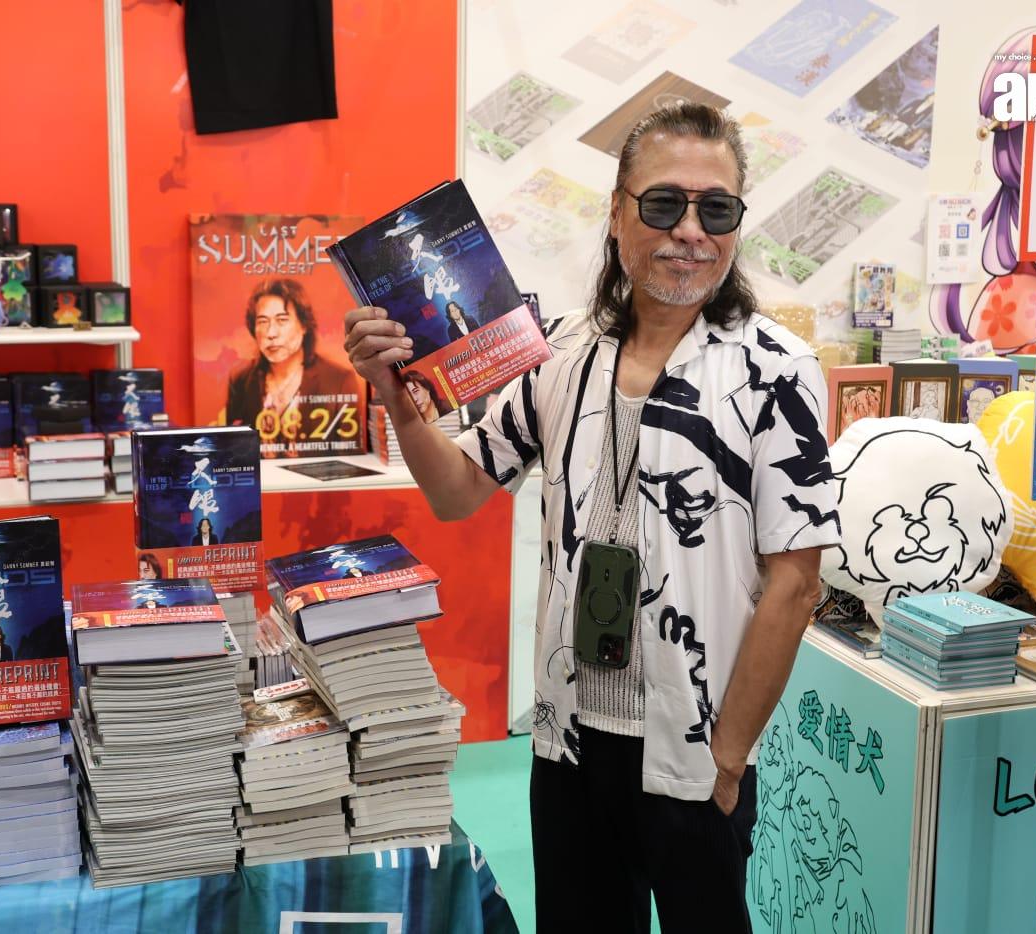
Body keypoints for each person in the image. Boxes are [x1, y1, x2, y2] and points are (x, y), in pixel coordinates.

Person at [344, 103, 839, 934]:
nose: (691, 231)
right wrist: (397, 400)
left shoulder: (776, 371)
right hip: (568, 739)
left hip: (693, 748)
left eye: (716, 209)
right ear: (617, 213)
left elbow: (794, 585)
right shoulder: (559, 351)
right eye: (664, 203)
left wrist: (727, 758)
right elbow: (458, 492)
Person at [224, 278, 360, 443]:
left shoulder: (339, 381)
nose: (271, 333)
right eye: (262, 321)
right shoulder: (240, 380)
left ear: (304, 325)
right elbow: (234, 447)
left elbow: (349, 448)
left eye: (282, 320)